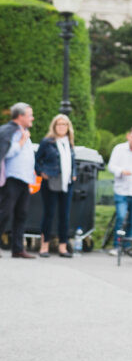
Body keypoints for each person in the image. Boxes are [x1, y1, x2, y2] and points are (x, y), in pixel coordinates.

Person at [35, 114, 77, 258]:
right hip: (50, 182)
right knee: (49, 214)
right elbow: (36, 160)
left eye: (64, 124)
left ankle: (63, 247)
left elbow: (73, 161)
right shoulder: (47, 142)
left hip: (67, 183)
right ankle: (44, 246)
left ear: (68, 127)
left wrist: (74, 173)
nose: (61, 127)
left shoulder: (69, 142)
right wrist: (41, 172)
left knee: (64, 216)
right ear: (54, 126)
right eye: (59, 124)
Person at [0, 102, 36, 258]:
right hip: (11, 178)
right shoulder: (9, 131)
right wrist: (21, 142)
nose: (32, 118)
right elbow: (5, 153)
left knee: (21, 214)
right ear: (20, 116)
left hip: (24, 179)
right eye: (30, 115)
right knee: (4, 213)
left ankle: (18, 249)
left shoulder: (24, 131)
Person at [108, 126, 132, 256]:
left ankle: (127, 247)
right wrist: (121, 171)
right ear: (128, 136)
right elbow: (111, 166)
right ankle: (116, 245)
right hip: (122, 190)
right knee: (120, 217)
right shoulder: (119, 149)